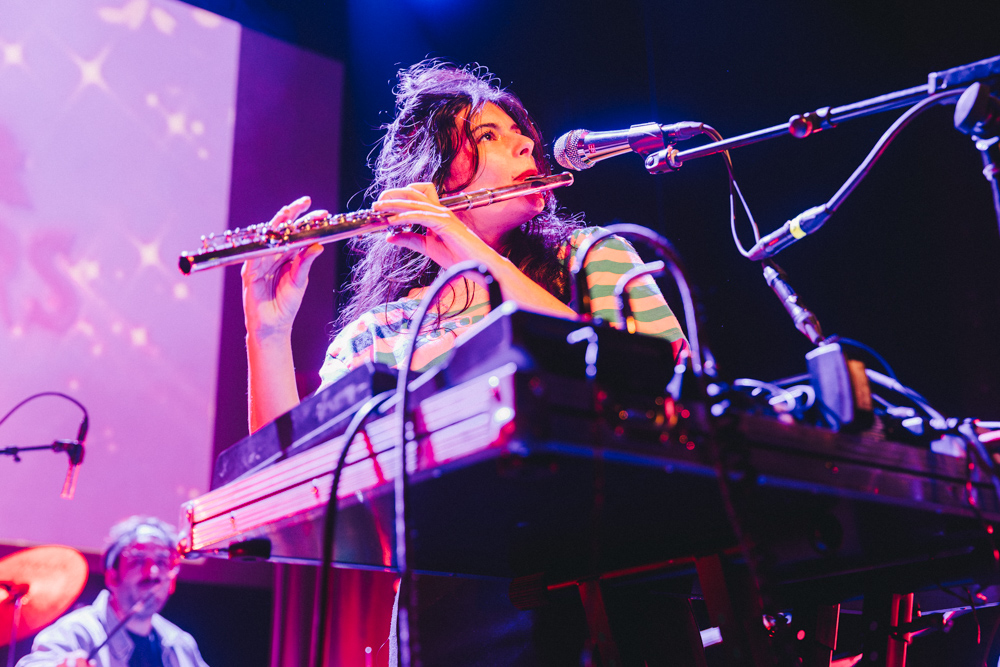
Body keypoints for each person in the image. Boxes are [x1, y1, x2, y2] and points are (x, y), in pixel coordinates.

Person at [242, 60, 694, 665]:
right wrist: (267, 331)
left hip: (614, 584)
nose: (527, 144)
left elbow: (660, 387)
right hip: (447, 612)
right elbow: (289, 493)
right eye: (488, 136)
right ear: (434, 177)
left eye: (522, 135)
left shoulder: (595, 258)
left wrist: (467, 247)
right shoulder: (380, 332)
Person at [17, 516, 209, 667]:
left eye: (162, 562)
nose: (152, 572)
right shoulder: (76, 633)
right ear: (112, 577)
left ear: (172, 581)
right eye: (138, 561)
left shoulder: (181, 644)